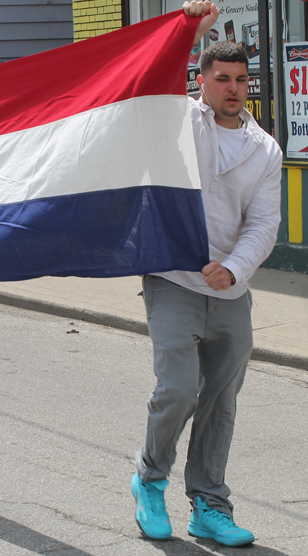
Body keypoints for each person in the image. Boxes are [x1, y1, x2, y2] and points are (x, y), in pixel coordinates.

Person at [131, 0, 283, 547]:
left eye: (242, 79)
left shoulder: (264, 148)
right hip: (173, 277)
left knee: (220, 398)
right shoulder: (180, 122)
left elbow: (266, 222)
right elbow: (154, 81)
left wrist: (237, 268)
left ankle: (208, 505)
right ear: (202, 81)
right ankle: (149, 479)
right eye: (223, 78)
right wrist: (193, 26)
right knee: (178, 388)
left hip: (230, 289)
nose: (234, 88)